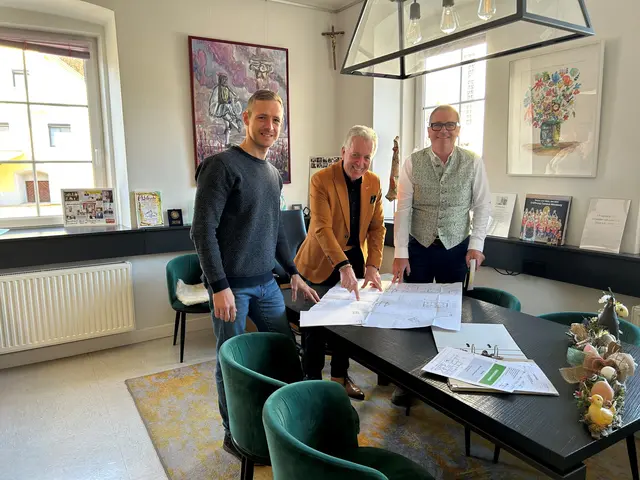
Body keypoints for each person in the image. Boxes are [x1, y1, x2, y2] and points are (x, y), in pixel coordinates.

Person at [191, 89, 320, 460]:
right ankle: (234, 434)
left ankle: (284, 424)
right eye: (262, 117)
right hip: (231, 288)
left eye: (276, 120)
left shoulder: (273, 174)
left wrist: (293, 271)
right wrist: (219, 286)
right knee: (232, 363)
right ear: (246, 119)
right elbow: (202, 231)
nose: (270, 126)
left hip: (267, 285)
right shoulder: (221, 166)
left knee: (284, 354)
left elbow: (275, 230)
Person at [391, 104, 491, 406]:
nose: (443, 130)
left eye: (450, 125)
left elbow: (483, 206)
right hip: (418, 248)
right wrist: (400, 253)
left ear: (458, 129)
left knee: (452, 317)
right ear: (429, 129)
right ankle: (407, 381)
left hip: (456, 249)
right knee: (413, 317)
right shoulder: (413, 162)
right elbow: (403, 208)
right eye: (437, 125)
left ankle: (450, 380)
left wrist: (477, 245)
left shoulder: (473, 162)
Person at [294, 125, 386, 400]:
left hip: (355, 257)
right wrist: (343, 266)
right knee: (315, 327)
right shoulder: (321, 180)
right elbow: (321, 228)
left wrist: (373, 265)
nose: (360, 163)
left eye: (367, 157)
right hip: (320, 260)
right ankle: (311, 385)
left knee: (347, 323)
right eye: (355, 155)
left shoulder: (374, 183)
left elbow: (377, 228)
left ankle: (339, 379)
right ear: (343, 151)